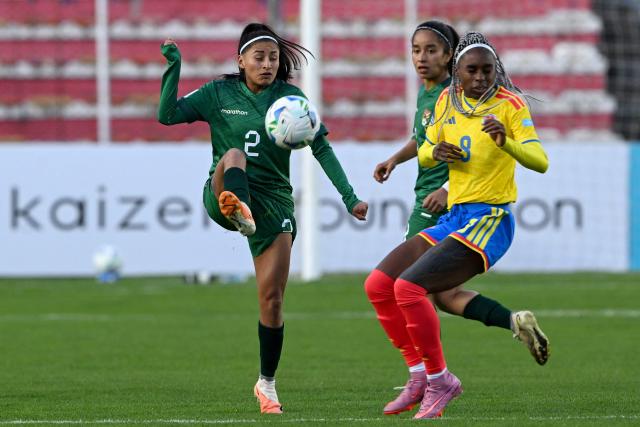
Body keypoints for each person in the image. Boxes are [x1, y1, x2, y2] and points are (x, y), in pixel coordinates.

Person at [157, 22, 368, 415]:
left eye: (273, 57)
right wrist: (174, 66)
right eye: (259, 57)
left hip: (275, 203)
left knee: (272, 301)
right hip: (223, 190)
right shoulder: (219, 93)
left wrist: (350, 197)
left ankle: (266, 384)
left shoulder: (290, 99)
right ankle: (238, 208)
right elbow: (166, 115)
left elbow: (321, 149)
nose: (268, 64)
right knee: (233, 156)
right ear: (241, 60)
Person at [366, 22, 549, 417]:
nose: (481, 77)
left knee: (410, 289)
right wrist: (438, 151)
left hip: (490, 219)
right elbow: (429, 149)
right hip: (455, 218)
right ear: (459, 73)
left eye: (488, 70)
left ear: (496, 69)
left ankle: (439, 380)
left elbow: (541, 162)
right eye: (473, 71)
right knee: (380, 284)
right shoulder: (447, 102)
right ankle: (420, 374)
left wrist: (508, 142)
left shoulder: (509, 106)